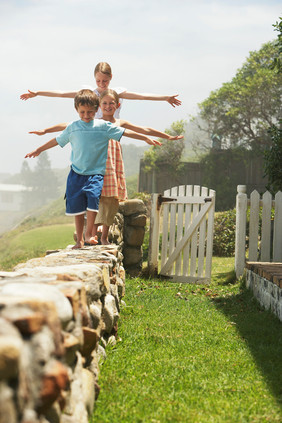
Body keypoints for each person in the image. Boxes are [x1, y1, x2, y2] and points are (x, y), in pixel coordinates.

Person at [29, 89, 184, 244]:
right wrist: (40, 144)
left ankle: (95, 235)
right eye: (83, 112)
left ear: (112, 106)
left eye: (90, 112)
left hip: (103, 169)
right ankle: (84, 237)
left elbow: (134, 128)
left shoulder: (108, 125)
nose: (86, 115)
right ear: (95, 107)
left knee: (101, 200)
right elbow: (60, 133)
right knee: (84, 203)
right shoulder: (78, 125)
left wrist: (152, 137)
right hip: (84, 170)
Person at [20, 62, 182, 116]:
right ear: (94, 78)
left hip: (111, 131)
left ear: (110, 78)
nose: (102, 84)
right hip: (92, 131)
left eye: (105, 80)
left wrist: (165, 97)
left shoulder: (117, 93)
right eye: (98, 80)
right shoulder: (90, 93)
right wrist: (38, 93)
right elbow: (62, 93)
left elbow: (142, 96)